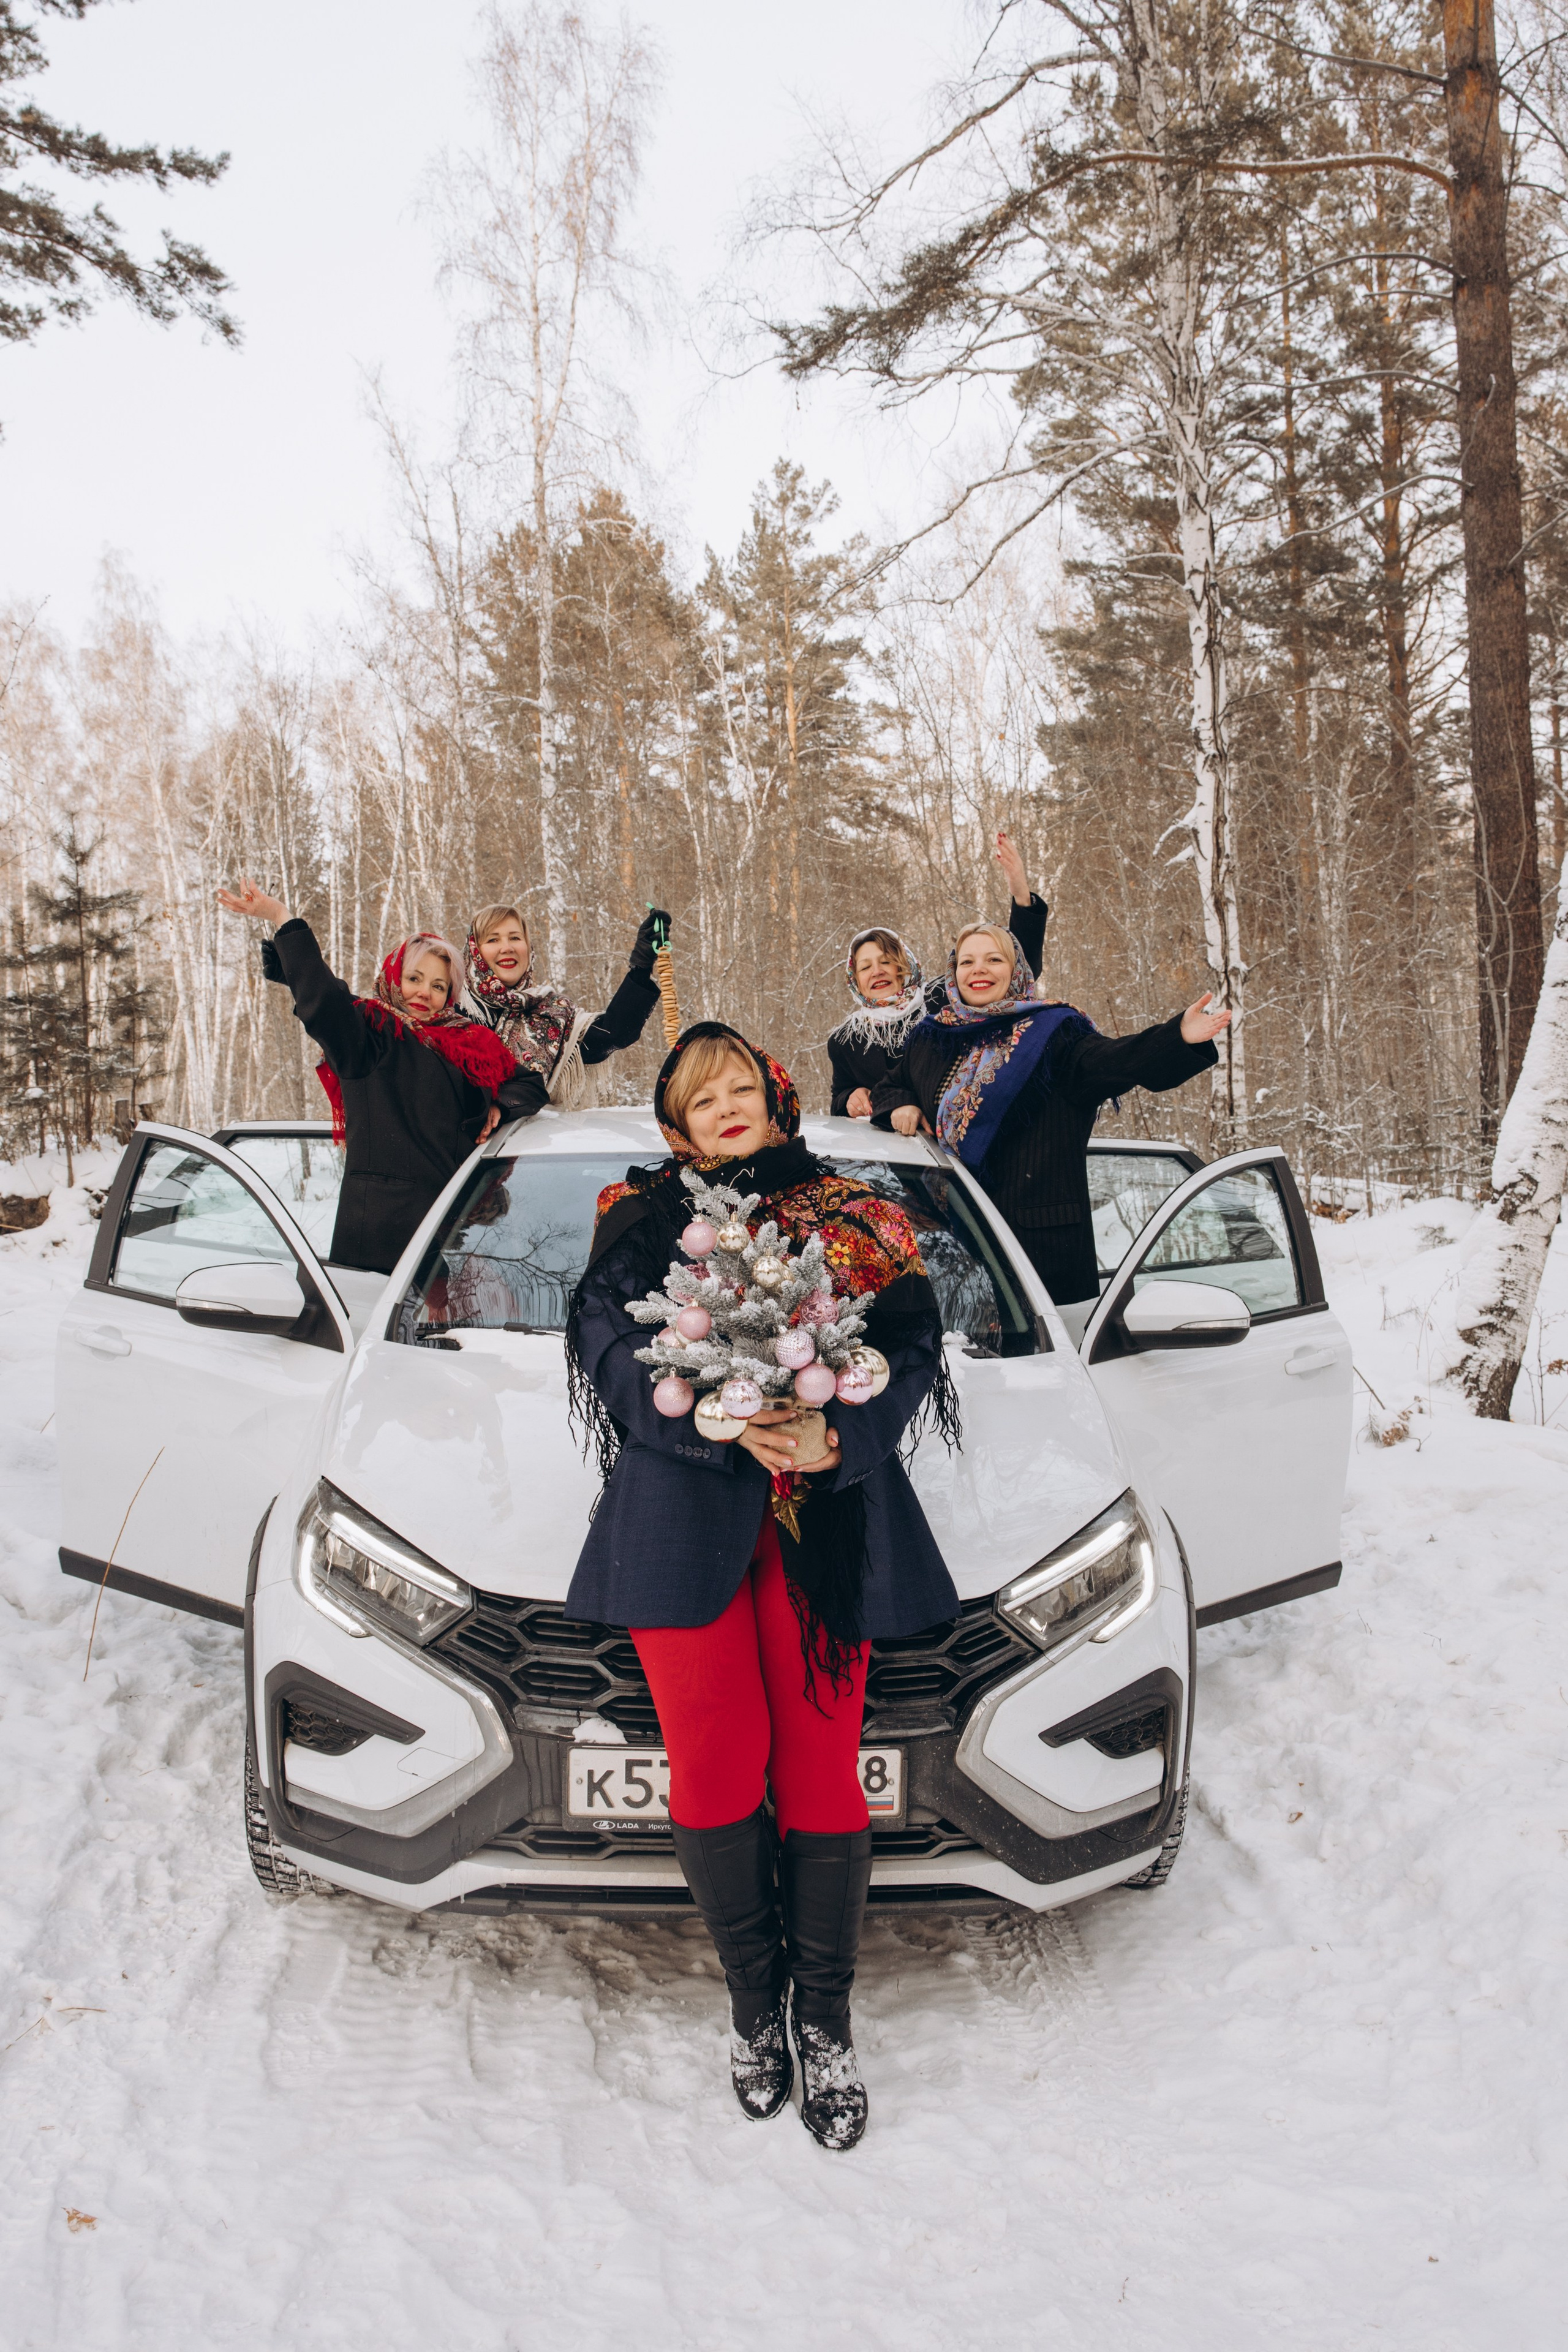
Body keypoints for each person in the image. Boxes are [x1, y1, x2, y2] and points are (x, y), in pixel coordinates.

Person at [565, 1023, 960, 2151]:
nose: (725, 1102)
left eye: (742, 1082)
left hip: (826, 1525)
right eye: (701, 1093)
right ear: (674, 1124)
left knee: (823, 1766)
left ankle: (825, 2020)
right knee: (718, 1764)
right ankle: (754, 2007)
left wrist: (840, 1438)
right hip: (680, 1525)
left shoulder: (855, 1210)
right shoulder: (638, 1218)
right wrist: (723, 1426)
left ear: (778, 1100)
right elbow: (600, 1339)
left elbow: (912, 1342)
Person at [873, 924, 1232, 1307]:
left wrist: (1178, 1037)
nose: (978, 970)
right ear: (953, 971)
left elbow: (1114, 1062)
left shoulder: (1053, 1033)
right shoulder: (934, 1036)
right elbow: (891, 1085)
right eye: (967, 961)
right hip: (951, 1248)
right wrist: (901, 1103)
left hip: (1038, 1249)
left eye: (994, 959)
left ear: (1016, 970)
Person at [218, 879, 537, 1276]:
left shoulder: (469, 1041)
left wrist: (499, 1105)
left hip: (456, 1231)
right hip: (383, 1238)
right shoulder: (367, 1034)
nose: (425, 992)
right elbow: (324, 1002)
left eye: (439, 985)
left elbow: (528, 1083)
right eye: (415, 978)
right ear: (394, 977)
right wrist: (283, 919)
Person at [829, 831, 1047, 1118]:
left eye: (886, 961)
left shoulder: (943, 996)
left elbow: (1016, 968)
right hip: (904, 1157)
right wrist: (849, 1097)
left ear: (903, 965)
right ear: (854, 979)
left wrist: (1021, 895)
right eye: (865, 967)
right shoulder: (846, 1040)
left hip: (966, 1137)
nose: (877, 971)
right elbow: (838, 1098)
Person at [461, 902, 671, 1111]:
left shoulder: (553, 1012)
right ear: (475, 951)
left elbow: (613, 1033)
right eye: (493, 939)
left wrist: (641, 966)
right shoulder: (453, 1012)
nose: (507, 947)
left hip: (532, 1141)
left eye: (515, 938)